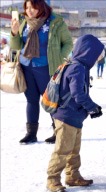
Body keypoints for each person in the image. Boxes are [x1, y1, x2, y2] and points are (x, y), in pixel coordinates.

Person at [46, 34, 104, 192]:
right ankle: (53, 179)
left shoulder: (78, 66)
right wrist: (92, 107)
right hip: (66, 116)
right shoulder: (77, 68)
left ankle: (73, 176)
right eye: (97, 54)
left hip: (74, 116)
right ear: (88, 52)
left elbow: (80, 93)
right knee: (63, 150)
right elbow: (78, 94)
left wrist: (92, 108)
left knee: (73, 149)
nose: (98, 57)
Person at [9, 0, 73, 144]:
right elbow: (16, 45)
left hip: (46, 67)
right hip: (26, 66)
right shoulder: (23, 22)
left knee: (51, 101)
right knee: (31, 100)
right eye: (27, 7)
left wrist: (58, 58)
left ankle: (58, 133)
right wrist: (14, 32)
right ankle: (31, 134)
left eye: (33, 7)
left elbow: (68, 43)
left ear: (41, 6)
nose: (30, 10)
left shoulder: (55, 22)